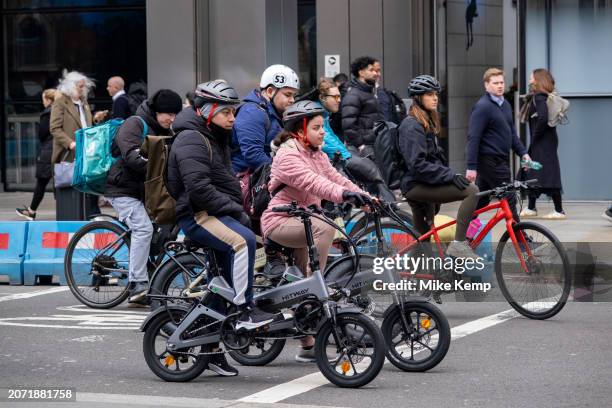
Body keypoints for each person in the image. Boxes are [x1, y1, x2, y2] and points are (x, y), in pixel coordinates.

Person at [261, 100, 371, 362]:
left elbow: (335, 178)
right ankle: (316, 288)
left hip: (304, 221)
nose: (323, 132)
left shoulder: (316, 153)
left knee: (297, 286)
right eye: (317, 127)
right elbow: (317, 184)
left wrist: (367, 198)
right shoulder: (287, 155)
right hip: (280, 222)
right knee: (324, 228)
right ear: (300, 130)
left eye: (323, 127)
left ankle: (308, 346)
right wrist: (345, 196)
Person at [167, 80, 276, 333]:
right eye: (226, 112)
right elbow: (198, 189)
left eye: (233, 112)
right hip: (198, 215)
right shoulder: (192, 139)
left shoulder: (215, 136)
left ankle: (211, 349)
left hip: (215, 213)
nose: (232, 119)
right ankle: (244, 310)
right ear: (207, 111)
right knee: (243, 241)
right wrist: (235, 211)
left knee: (223, 289)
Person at [105, 89, 183, 305]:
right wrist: (161, 168)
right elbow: (132, 156)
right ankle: (137, 283)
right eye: (168, 113)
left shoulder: (169, 130)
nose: (172, 118)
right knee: (143, 228)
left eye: (176, 114)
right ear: (157, 111)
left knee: (167, 224)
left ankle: (150, 273)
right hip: (122, 189)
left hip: (147, 192)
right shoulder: (135, 124)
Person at [398, 75, 480, 259]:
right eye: (429, 94)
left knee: (423, 241)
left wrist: (449, 174)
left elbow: (432, 159)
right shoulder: (411, 125)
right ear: (418, 98)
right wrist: (450, 176)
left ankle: (413, 282)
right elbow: (418, 164)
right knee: (472, 191)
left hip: (421, 182)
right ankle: (459, 244)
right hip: (415, 185)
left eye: (436, 94)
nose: (435, 98)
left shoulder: (425, 121)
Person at [465, 68, 531, 221]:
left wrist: (523, 153)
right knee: (510, 197)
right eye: (495, 83)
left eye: (501, 82)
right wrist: (471, 166)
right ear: (486, 86)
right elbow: (473, 137)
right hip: (489, 160)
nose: (500, 86)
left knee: (482, 199)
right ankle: (521, 242)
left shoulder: (505, 105)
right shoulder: (483, 107)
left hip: (500, 159)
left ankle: (463, 233)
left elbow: (512, 134)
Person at [231, 64, 300, 175]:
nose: (292, 100)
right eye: (288, 94)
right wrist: (288, 173)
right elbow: (253, 155)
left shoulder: (275, 112)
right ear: (270, 91)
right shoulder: (252, 112)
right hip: (247, 181)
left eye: (294, 96)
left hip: (263, 177)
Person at [50, 69, 100, 218]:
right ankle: (78, 215)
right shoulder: (61, 102)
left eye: (84, 86)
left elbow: (85, 123)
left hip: (86, 150)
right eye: (80, 86)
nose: (83, 89)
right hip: (70, 152)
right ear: (70, 86)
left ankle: (92, 214)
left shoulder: (83, 102)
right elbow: (54, 128)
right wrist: (70, 143)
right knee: (71, 187)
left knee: (90, 183)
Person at [519, 69, 565, 219]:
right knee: (535, 170)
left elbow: (543, 118)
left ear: (538, 80)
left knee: (544, 172)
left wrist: (536, 136)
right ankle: (532, 207)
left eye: (532, 77)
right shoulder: (542, 96)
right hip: (547, 140)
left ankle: (559, 210)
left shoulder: (539, 97)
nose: (530, 80)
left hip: (542, 141)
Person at [16, 89, 57, 220]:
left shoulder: (47, 113)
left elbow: (42, 134)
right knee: (59, 183)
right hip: (59, 151)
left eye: (44, 99)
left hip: (48, 151)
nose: (43, 102)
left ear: (49, 100)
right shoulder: (61, 111)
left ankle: (31, 211)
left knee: (41, 182)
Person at [341, 56, 383, 158]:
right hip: (362, 147)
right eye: (371, 70)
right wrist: (361, 146)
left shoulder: (369, 92)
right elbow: (348, 125)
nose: (375, 73)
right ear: (361, 73)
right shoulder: (353, 95)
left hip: (373, 144)